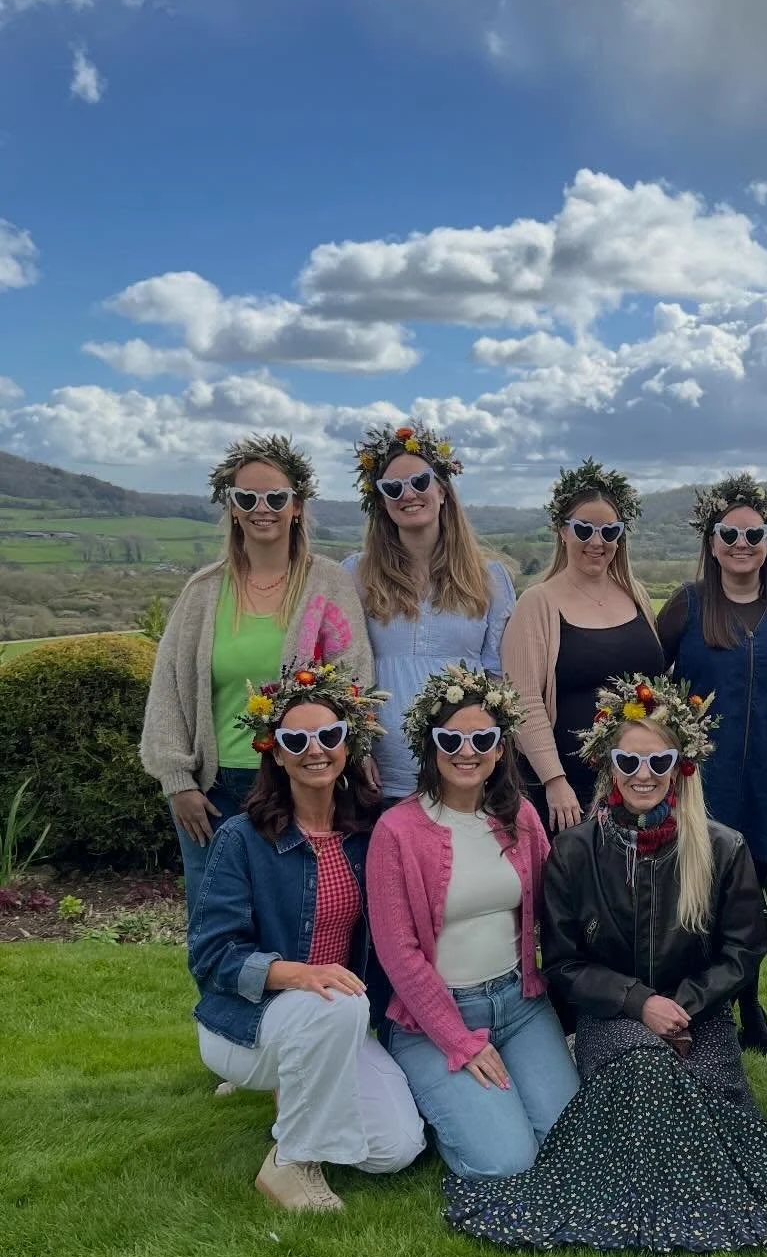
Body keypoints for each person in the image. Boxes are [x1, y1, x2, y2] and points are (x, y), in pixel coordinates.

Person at [441, 672, 767, 1253]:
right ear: (608, 765)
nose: (643, 775)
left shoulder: (724, 847)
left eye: (658, 760)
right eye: (628, 762)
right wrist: (641, 1005)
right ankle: (658, 1201)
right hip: (612, 1016)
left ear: (681, 764)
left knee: (706, 1098)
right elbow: (561, 963)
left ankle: (715, 1198)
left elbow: (740, 954)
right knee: (647, 1079)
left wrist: (680, 1008)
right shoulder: (576, 851)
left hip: (697, 1014)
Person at [188, 661, 423, 1212]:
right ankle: (290, 1162)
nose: (315, 749)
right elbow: (211, 953)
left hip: (336, 1020)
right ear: (276, 750)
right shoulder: (241, 839)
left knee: (395, 1149)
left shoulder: (370, 834)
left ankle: (299, 1096)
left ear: (349, 744)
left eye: (329, 735)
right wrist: (299, 975)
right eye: (297, 738)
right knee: (340, 1003)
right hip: (250, 1024)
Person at [141, 434, 371, 919]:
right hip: (216, 788)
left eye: (275, 497)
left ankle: (305, 1000)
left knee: (300, 915)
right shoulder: (203, 591)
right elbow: (168, 690)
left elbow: (356, 682)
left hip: (305, 781)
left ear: (297, 506)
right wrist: (178, 780)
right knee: (217, 920)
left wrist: (350, 759)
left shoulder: (328, 585)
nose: (260, 508)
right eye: (246, 498)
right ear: (232, 507)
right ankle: (223, 1001)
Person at [366, 664, 579, 1177]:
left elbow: (555, 908)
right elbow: (400, 955)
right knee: (508, 1163)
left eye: (482, 738)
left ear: (500, 748)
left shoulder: (521, 817)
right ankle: (437, 1101)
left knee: (571, 1142)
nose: (467, 751)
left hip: (520, 1005)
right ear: (429, 744)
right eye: (451, 739)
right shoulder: (396, 832)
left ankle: (486, 1100)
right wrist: (460, 1042)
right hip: (434, 1019)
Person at [658, 473, 767, 1052]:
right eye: (729, 532)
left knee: (749, 901)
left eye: (754, 534)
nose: (741, 543)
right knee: (697, 896)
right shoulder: (687, 605)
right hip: (705, 779)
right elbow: (649, 689)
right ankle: (696, 1005)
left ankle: (749, 1005)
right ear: (711, 541)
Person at [344, 419, 515, 802]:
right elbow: (344, 672)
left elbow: (498, 676)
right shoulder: (356, 573)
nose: (408, 495)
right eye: (393, 488)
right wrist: (359, 747)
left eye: (420, 482)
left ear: (442, 491)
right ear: (381, 501)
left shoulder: (489, 577)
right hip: (382, 775)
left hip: (464, 766)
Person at [502, 458, 664, 832]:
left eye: (609, 532)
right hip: (568, 790)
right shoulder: (538, 603)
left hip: (640, 782)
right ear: (563, 531)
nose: (597, 541)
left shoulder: (635, 594)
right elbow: (523, 700)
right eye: (584, 529)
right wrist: (554, 781)